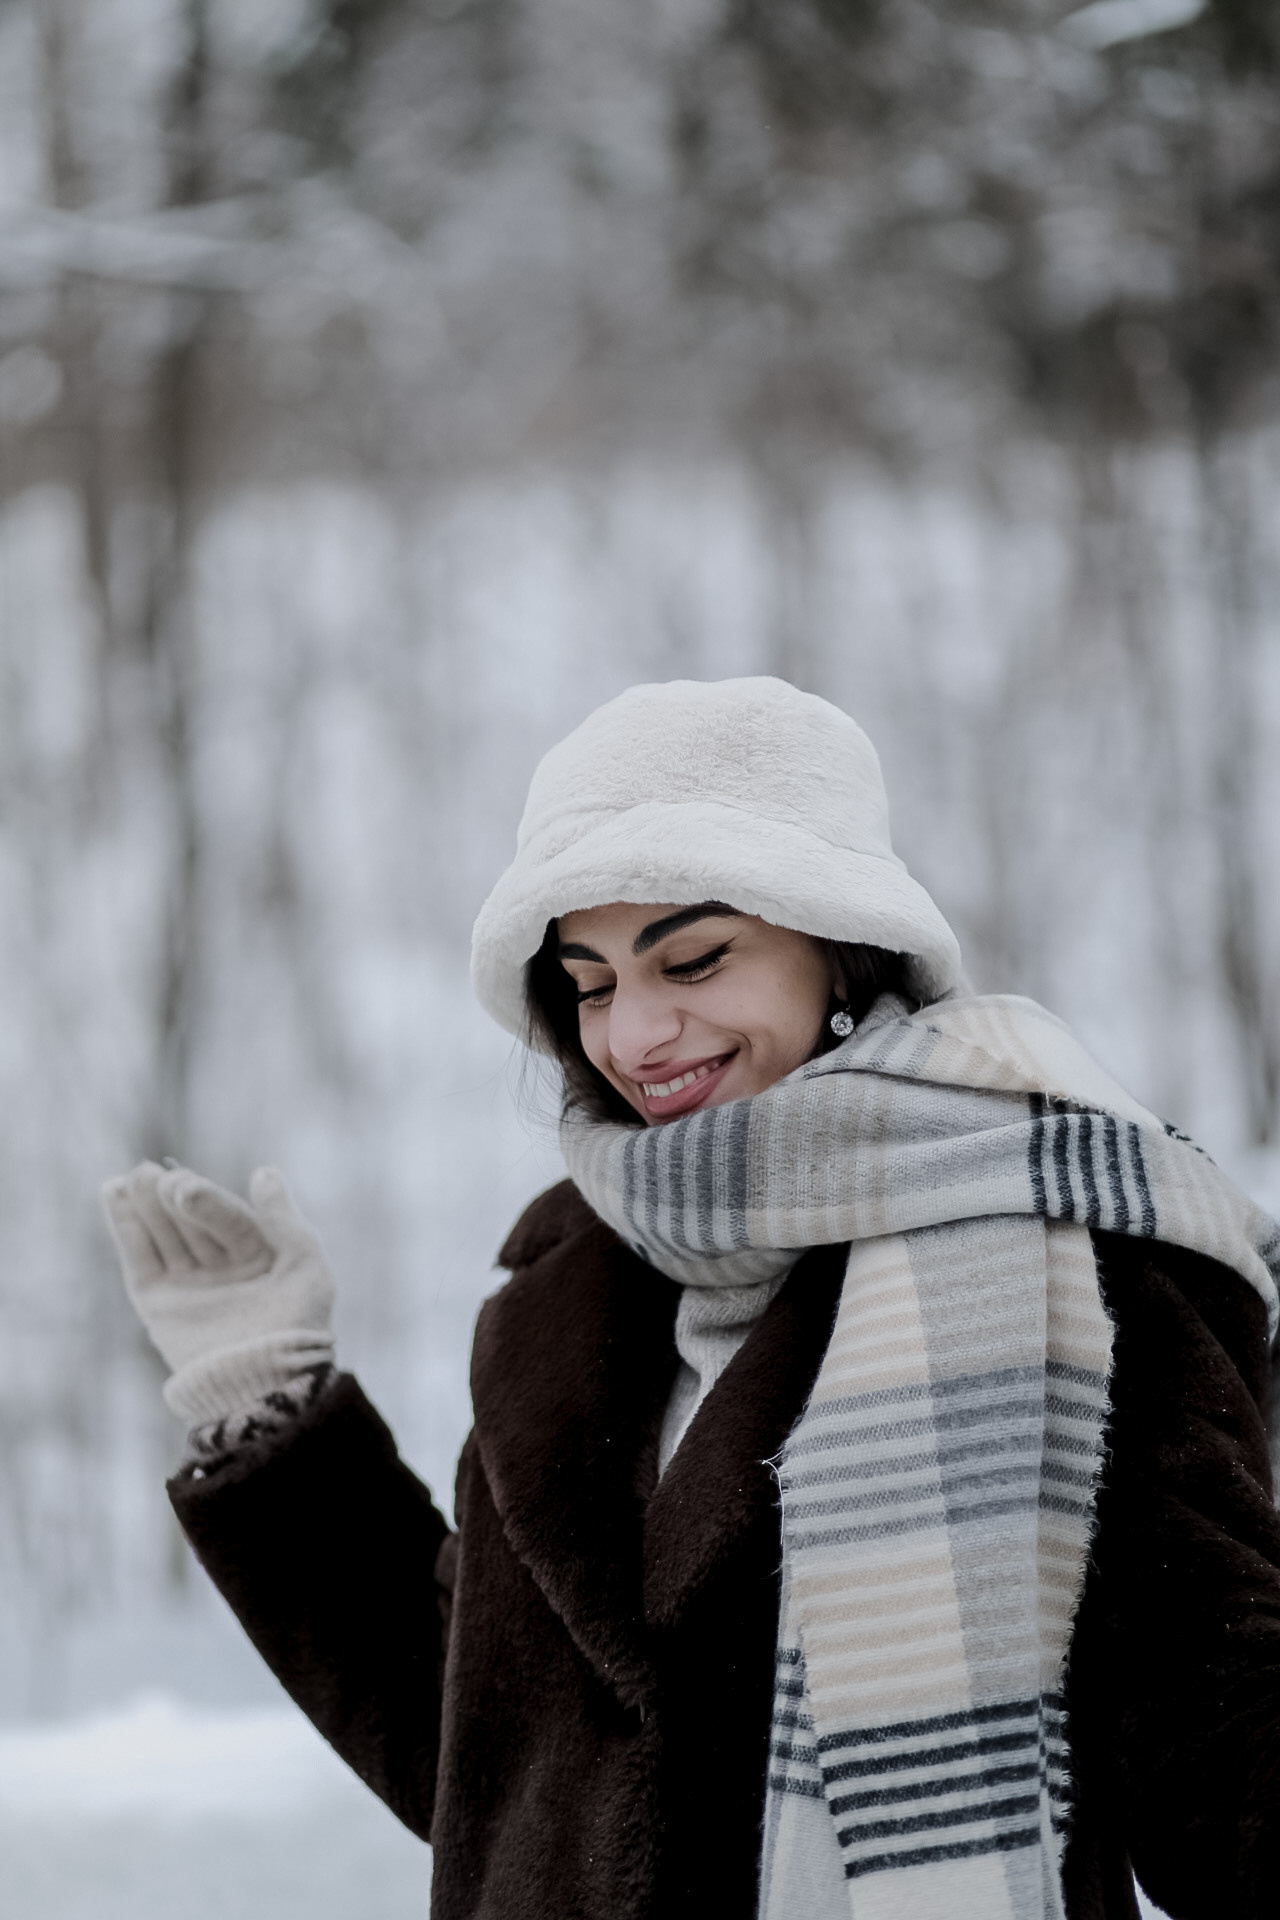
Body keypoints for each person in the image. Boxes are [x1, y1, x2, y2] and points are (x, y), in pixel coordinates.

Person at [102, 676, 1280, 1920]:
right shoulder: (566, 1297)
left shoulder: (1065, 1268)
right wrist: (273, 1415)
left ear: (838, 944)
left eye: (695, 958)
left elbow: (1220, 1734)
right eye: (591, 983)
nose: (636, 1035)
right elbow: (475, 1761)